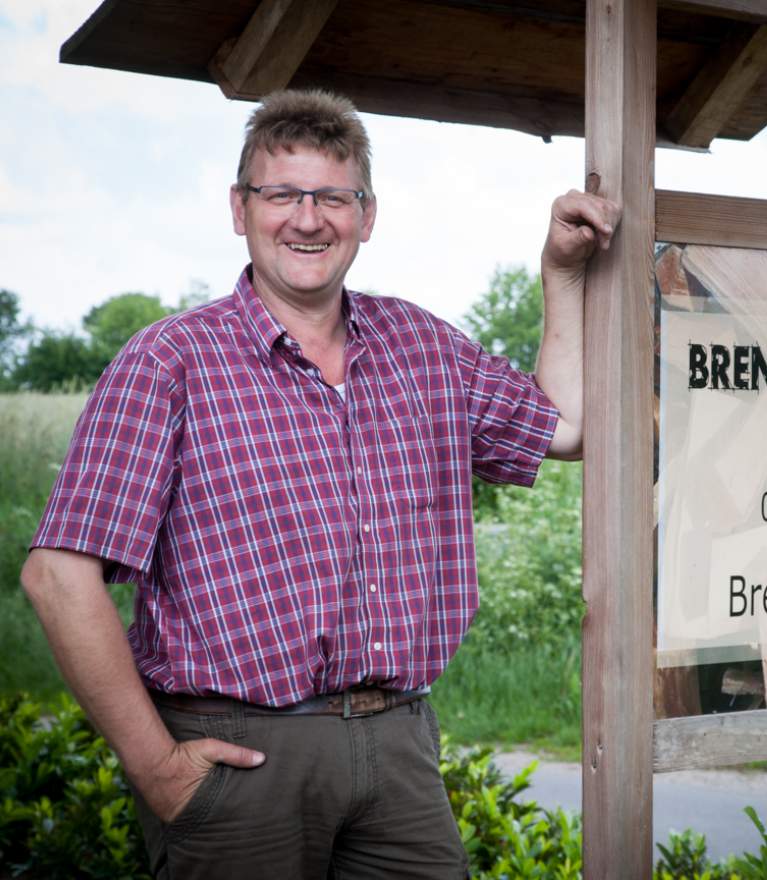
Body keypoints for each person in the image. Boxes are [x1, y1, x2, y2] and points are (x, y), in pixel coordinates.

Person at [21, 89, 620, 879]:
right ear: (241, 209)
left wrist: (561, 272)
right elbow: (59, 576)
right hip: (244, 762)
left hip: (400, 748)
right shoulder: (170, 362)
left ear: (366, 216)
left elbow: (565, 428)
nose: (308, 218)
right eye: (282, 194)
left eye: (333, 196)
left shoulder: (423, 346)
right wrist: (157, 767)